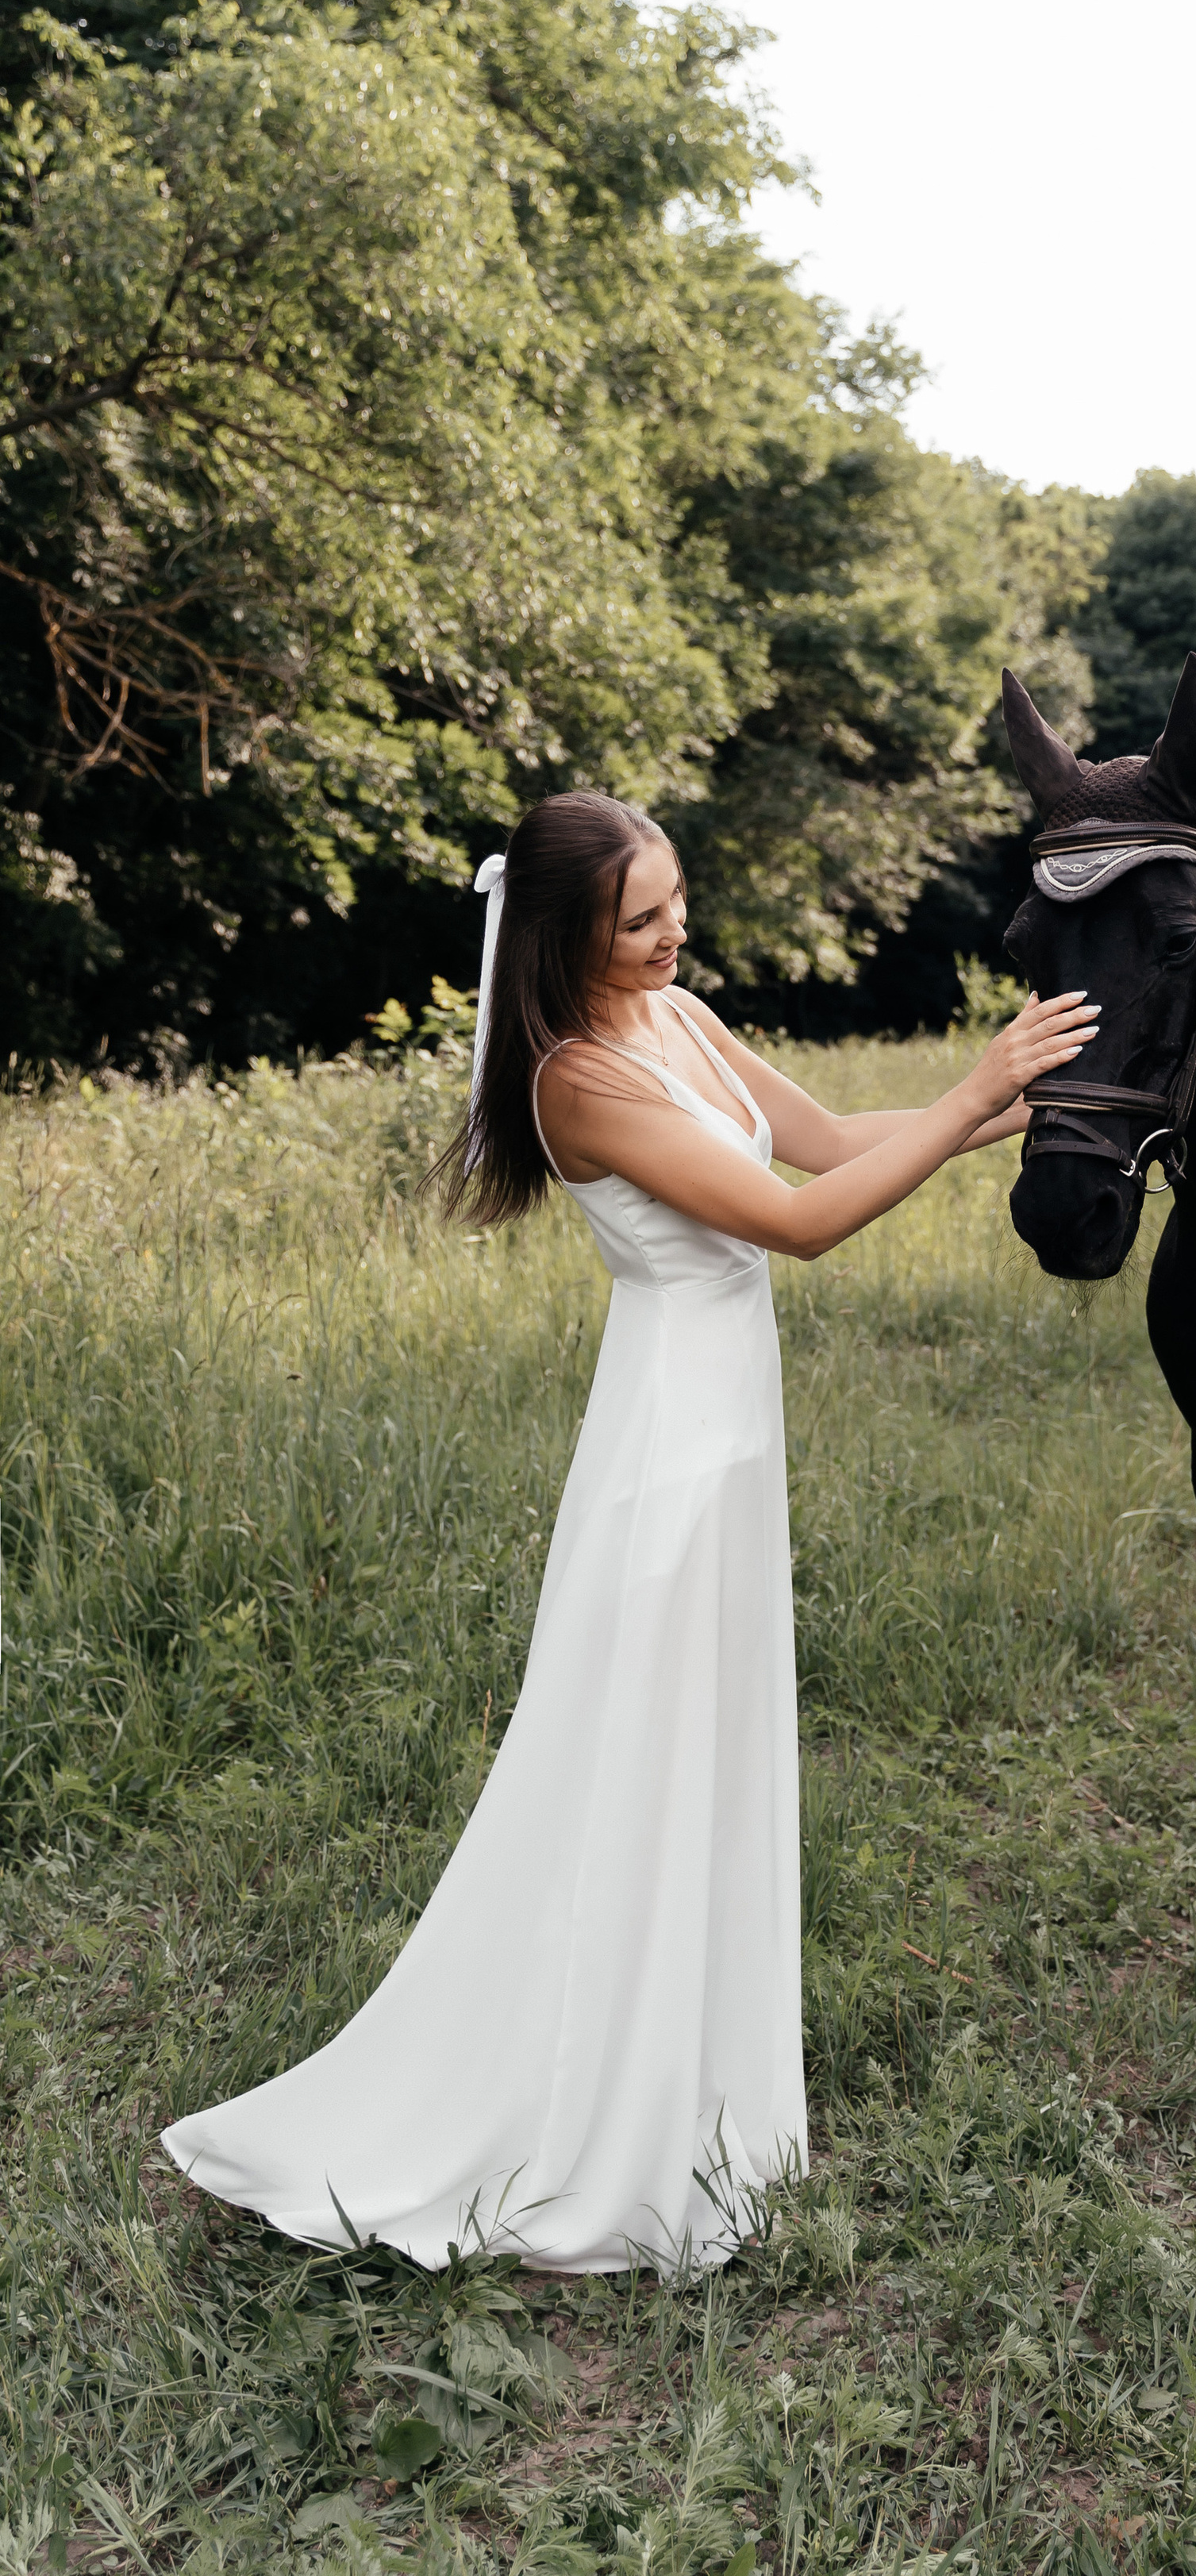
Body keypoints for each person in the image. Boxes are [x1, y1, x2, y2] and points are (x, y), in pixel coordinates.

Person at [161, 790, 1097, 2273]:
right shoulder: (576, 1081)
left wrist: (1027, 1105)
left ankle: (696, 2074)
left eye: (676, 903)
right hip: (669, 1444)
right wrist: (978, 1085)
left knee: (704, 1748)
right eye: (639, 921)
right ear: (561, 938)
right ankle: (598, 2096)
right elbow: (797, 1224)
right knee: (639, 1757)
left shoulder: (681, 1017)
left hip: (732, 1433)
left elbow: (830, 1142)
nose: (673, 935)